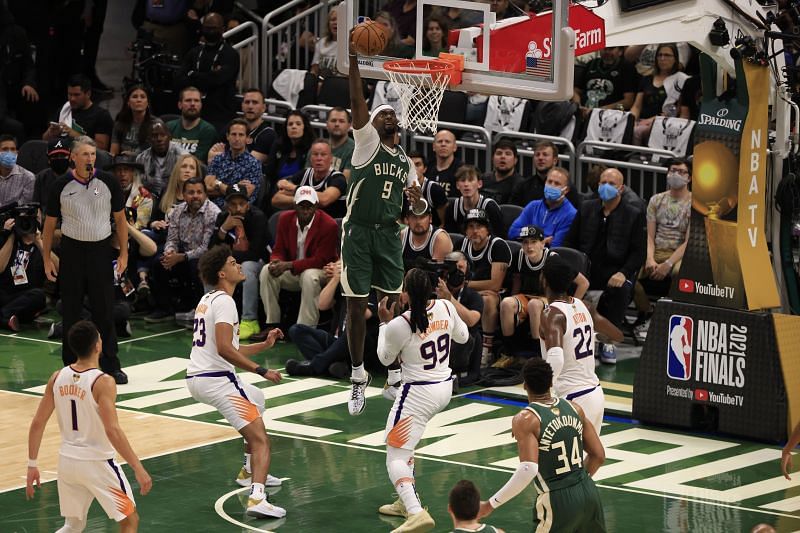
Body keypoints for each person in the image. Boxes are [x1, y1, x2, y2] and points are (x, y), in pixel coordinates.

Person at [343, 35, 425, 416]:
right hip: (358, 231)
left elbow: (421, 205)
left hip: (391, 233)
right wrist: (355, 61)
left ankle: (393, 374)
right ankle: (359, 375)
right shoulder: (365, 143)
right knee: (357, 308)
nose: (387, 116)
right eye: (381, 114)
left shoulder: (407, 161)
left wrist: (417, 202)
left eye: (391, 114)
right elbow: (358, 101)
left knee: (391, 306)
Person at [185, 245, 286, 519]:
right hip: (216, 380)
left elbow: (230, 347)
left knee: (257, 399)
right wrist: (261, 370)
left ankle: (248, 471)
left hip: (199, 377)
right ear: (222, 273)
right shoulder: (226, 302)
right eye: (232, 262)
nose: (238, 265)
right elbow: (223, 349)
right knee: (261, 440)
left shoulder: (208, 299)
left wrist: (264, 345)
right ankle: (257, 498)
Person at [26, 321, 152, 532]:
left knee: (73, 526)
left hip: (67, 462)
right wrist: (138, 468)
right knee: (130, 521)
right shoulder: (103, 382)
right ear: (97, 346)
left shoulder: (56, 377)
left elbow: (38, 423)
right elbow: (112, 430)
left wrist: (32, 464)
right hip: (97, 463)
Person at [376, 268, 469, 533]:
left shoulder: (399, 324)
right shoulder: (446, 307)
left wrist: (384, 323)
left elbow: (384, 358)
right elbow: (463, 336)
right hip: (444, 387)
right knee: (409, 444)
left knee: (394, 454)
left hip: (418, 393)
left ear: (404, 294)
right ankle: (406, 501)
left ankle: (416, 513)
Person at [477, 358, 606, 532]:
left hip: (558, 499)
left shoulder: (526, 420)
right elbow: (599, 455)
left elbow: (528, 469)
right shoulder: (575, 408)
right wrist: (577, 483)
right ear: (551, 382)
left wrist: (490, 504)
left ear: (524, 384)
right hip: (589, 492)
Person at [42, 136, 129, 385]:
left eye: (93, 154)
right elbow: (48, 227)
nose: (90, 158)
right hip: (72, 252)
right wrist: (47, 258)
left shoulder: (109, 181)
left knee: (104, 311)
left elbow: (121, 221)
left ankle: (111, 365)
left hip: (101, 251)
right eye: (85, 154)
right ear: (73, 157)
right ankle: (71, 366)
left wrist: (123, 253)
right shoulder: (61, 185)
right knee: (71, 311)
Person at [563, 167, 646, 364]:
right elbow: (570, 242)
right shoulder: (586, 207)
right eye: (603, 183)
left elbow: (639, 252)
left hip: (615, 271)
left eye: (611, 184)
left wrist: (623, 272)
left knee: (622, 288)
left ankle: (608, 342)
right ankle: (568, 338)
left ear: (621, 188)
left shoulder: (633, 214)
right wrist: (571, 269)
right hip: (586, 269)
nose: (606, 187)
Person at [539, 254, 622, 434]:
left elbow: (556, 358)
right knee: (591, 457)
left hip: (572, 398)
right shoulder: (584, 305)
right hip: (595, 393)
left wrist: (543, 394)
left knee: (560, 459)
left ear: (544, 280)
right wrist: (595, 336)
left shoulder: (551, 314)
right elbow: (616, 336)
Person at [497, 226, 588, 367]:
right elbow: (517, 280)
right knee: (506, 303)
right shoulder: (519, 256)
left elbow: (583, 283)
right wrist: (515, 304)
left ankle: (537, 354)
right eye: (525, 242)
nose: (529, 246)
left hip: (549, 298)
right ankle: (509, 353)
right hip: (527, 297)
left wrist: (573, 306)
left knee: (534, 304)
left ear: (542, 243)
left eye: (533, 242)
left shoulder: (553, 260)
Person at [257, 185, 338, 332]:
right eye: (302, 206)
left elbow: (320, 260)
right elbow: (279, 249)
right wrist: (276, 261)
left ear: (316, 206)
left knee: (309, 276)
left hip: (322, 272)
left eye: (310, 206)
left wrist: (288, 265)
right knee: (266, 271)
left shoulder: (329, 224)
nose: (306, 210)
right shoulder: (285, 219)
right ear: (295, 205)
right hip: (295, 270)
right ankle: (272, 325)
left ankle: (305, 330)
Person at [146, 177, 220, 322]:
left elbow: (206, 248)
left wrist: (181, 257)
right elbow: (172, 239)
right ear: (184, 195)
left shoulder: (213, 213)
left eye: (199, 192)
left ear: (205, 194)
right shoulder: (178, 211)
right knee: (159, 262)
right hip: (182, 255)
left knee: (197, 264)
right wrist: (170, 253)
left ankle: (199, 311)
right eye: (191, 192)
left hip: (205, 258)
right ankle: (165, 308)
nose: (195, 196)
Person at [633, 158, 691, 341]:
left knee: (679, 272)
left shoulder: (694, 203)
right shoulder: (656, 200)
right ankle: (647, 311)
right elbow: (650, 235)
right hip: (656, 249)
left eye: (681, 172)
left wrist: (668, 263)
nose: (676, 175)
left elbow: (688, 242)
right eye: (673, 170)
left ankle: (668, 315)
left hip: (679, 254)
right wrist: (650, 259)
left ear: (689, 178)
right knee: (629, 272)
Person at [210, 184, 269, 340]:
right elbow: (212, 250)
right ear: (227, 206)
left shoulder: (258, 217)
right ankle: (213, 316)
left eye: (241, 204)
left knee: (247, 267)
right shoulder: (223, 217)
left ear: (247, 204)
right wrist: (223, 229)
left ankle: (250, 320)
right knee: (213, 266)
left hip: (261, 263)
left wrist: (228, 260)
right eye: (233, 204)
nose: (238, 208)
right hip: (235, 261)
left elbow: (254, 254)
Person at [460, 208, 511, 365]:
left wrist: (466, 285)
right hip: (473, 292)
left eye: (479, 226)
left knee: (488, 300)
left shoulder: (498, 246)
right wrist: (472, 287)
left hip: (499, 295)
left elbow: (495, 284)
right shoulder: (461, 244)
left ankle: (486, 351)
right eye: (471, 226)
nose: (475, 231)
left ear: (487, 229)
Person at [176, 12, 240, 133]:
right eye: (207, 28)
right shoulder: (194, 52)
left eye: (214, 28)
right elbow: (179, 79)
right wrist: (209, 76)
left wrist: (193, 74)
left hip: (220, 114)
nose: (210, 31)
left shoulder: (230, 54)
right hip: (194, 113)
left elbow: (218, 79)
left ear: (223, 29)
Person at [434, 250, 483, 387]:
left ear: (467, 271)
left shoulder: (473, 296)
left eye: (460, 268)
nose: (457, 272)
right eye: (453, 267)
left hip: (459, 348)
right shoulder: (431, 291)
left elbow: (472, 320)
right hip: (434, 341)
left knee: (474, 335)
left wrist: (449, 297)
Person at [272, 138, 348, 218]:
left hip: (332, 225)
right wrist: (302, 200)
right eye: (315, 154)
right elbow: (276, 199)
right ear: (310, 158)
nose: (319, 158)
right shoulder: (304, 174)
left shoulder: (338, 178)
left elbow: (324, 199)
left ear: (331, 159)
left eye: (323, 154)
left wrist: (295, 189)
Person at [630, 43, 688, 145]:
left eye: (667, 55)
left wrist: (650, 121)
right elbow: (637, 106)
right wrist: (631, 120)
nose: (662, 58)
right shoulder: (647, 78)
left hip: (664, 122)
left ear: (675, 58)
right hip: (642, 120)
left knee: (638, 131)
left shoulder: (681, 80)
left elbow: (674, 110)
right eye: (659, 55)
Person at [0, 208, 46, 331]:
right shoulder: (9, 238)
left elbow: (57, 271)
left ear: (40, 221)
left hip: (24, 298)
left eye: (34, 218)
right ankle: (6, 318)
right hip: (4, 292)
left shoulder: (44, 242)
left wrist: (39, 243)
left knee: (39, 296)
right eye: (24, 219)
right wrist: (11, 236)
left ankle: (3, 316)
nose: (28, 222)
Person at [507, 167, 577, 247]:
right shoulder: (533, 206)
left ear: (566, 190)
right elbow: (512, 232)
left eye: (557, 183)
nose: (552, 186)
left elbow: (555, 246)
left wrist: (526, 235)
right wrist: (540, 237)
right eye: (549, 181)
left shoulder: (570, 214)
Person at [43, 75, 113, 151]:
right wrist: (51, 133)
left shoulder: (101, 115)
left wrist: (75, 135)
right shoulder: (64, 110)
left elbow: (101, 148)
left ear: (88, 94)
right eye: (70, 94)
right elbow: (44, 140)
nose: (72, 99)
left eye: (77, 95)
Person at [205, 118, 263, 208]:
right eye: (233, 134)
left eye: (241, 135)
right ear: (227, 136)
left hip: (236, 209)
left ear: (247, 139)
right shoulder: (218, 159)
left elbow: (241, 196)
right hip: (210, 207)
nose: (237, 138)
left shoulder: (254, 164)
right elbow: (206, 188)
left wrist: (218, 183)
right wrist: (233, 188)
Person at [509, 141, 581, 210]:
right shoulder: (523, 186)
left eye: (545, 155)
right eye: (537, 155)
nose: (540, 158)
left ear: (555, 161)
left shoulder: (567, 189)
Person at [573, 46, 638, 113]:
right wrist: (578, 105)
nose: (607, 52)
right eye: (605, 48)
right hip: (583, 111)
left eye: (611, 49)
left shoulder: (627, 68)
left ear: (620, 51)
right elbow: (576, 91)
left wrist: (604, 109)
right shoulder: (591, 64)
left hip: (610, 115)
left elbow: (628, 103)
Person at [445, 165, 504, 237]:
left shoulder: (490, 207)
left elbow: (500, 236)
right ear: (457, 185)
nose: (466, 184)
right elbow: (450, 237)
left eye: (470, 180)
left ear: (479, 184)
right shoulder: (452, 207)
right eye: (463, 181)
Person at [136, 118, 187, 197]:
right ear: (149, 139)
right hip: (149, 198)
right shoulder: (141, 159)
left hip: (175, 197)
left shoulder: (182, 157)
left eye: (163, 135)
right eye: (154, 136)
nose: (159, 139)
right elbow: (138, 185)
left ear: (169, 137)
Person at [167, 86, 219, 162]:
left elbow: (197, 162)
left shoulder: (208, 131)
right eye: (188, 100)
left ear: (201, 105)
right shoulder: (168, 127)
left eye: (196, 100)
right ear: (180, 105)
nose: (192, 104)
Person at [401, 200, 452, 268]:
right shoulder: (401, 236)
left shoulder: (440, 238)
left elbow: (436, 272)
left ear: (430, 218)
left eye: (422, 217)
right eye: (414, 217)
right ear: (407, 219)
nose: (418, 222)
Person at [108, 154, 153, 230]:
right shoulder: (106, 191)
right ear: (114, 173)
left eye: (126, 169)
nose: (122, 174)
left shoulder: (144, 196)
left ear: (133, 173)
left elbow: (141, 224)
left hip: (132, 237)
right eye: (119, 170)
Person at [407, 150, 448, 228]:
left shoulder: (435, 190)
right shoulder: (399, 189)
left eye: (417, 165)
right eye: (410, 165)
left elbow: (444, 223)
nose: (414, 169)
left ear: (425, 168)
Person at [33, 136, 72, 218]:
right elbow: (35, 206)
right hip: (45, 224)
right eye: (55, 156)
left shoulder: (78, 178)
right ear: (48, 159)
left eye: (63, 156)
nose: (59, 159)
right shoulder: (41, 177)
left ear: (70, 158)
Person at [110, 85, 153, 156]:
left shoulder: (156, 124)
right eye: (135, 97)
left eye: (143, 97)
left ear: (147, 103)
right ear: (128, 103)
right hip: (123, 163)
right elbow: (113, 153)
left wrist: (133, 155)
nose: (139, 100)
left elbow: (154, 154)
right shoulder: (120, 123)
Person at [239, 88, 276, 166]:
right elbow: (213, 156)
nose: (250, 106)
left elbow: (248, 164)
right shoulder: (232, 127)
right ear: (242, 106)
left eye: (255, 102)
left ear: (263, 108)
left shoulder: (268, 134)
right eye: (247, 102)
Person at [480, 139, 524, 206]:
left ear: (515, 160)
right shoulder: (483, 179)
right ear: (492, 158)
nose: (503, 157)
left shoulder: (520, 185)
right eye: (499, 153)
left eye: (508, 154)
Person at [0, 134, 34, 205]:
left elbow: (24, 208)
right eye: (5, 149)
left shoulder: (28, 178)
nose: (9, 153)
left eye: (13, 149)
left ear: (17, 152)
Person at [426, 129, 462, 197]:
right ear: (433, 146)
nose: (443, 144)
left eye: (447, 142)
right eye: (440, 141)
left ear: (455, 147)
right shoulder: (427, 168)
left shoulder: (461, 170)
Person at [321, 107, 354, 179]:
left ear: (349, 125)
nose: (337, 124)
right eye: (333, 120)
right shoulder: (318, 146)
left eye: (341, 121)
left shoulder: (354, 150)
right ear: (327, 124)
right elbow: (308, 174)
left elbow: (345, 181)